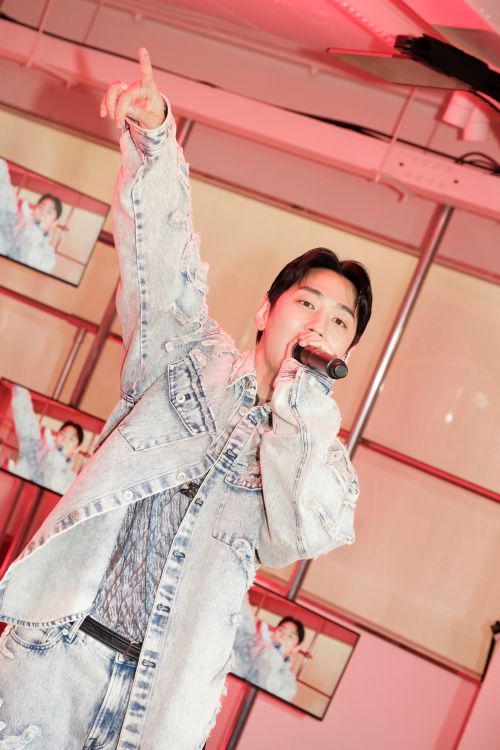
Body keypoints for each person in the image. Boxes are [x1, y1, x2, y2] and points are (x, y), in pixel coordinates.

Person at [0, 48, 372, 750]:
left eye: (339, 320)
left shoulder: (318, 463)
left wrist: (304, 406)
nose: (319, 323)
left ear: (347, 351)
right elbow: (163, 260)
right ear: (266, 310)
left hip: (158, 710)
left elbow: (298, 536)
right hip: (55, 660)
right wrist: (156, 139)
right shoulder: (186, 356)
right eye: (306, 302)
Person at [7, 384, 83, 495]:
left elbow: (54, 489)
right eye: (63, 434)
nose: (64, 440)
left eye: (71, 439)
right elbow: (24, 414)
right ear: (56, 435)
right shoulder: (35, 448)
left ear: (77, 449)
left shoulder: (71, 479)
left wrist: (58, 455)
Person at [232, 595, 305, 700]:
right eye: (281, 630)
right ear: (274, 632)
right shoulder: (253, 644)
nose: (283, 636)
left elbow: (268, 690)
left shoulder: (289, 683)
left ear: (296, 648)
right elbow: (242, 621)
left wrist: (275, 652)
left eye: (290, 636)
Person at [0, 158, 60, 273]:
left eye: (49, 212)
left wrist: (35, 229)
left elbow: (30, 262)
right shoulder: (16, 220)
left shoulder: (48, 255)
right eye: (41, 207)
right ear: (34, 209)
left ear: (53, 224)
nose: (42, 212)